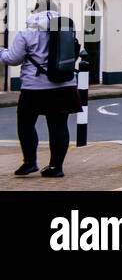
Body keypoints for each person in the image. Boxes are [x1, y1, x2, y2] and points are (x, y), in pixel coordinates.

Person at [1, 9, 82, 177]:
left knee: (26, 123)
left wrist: (1, 52)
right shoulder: (65, 32)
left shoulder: (26, 34)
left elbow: (12, 59)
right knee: (59, 126)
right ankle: (56, 167)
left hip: (35, 87)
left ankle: (30, 162)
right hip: (64, 84)